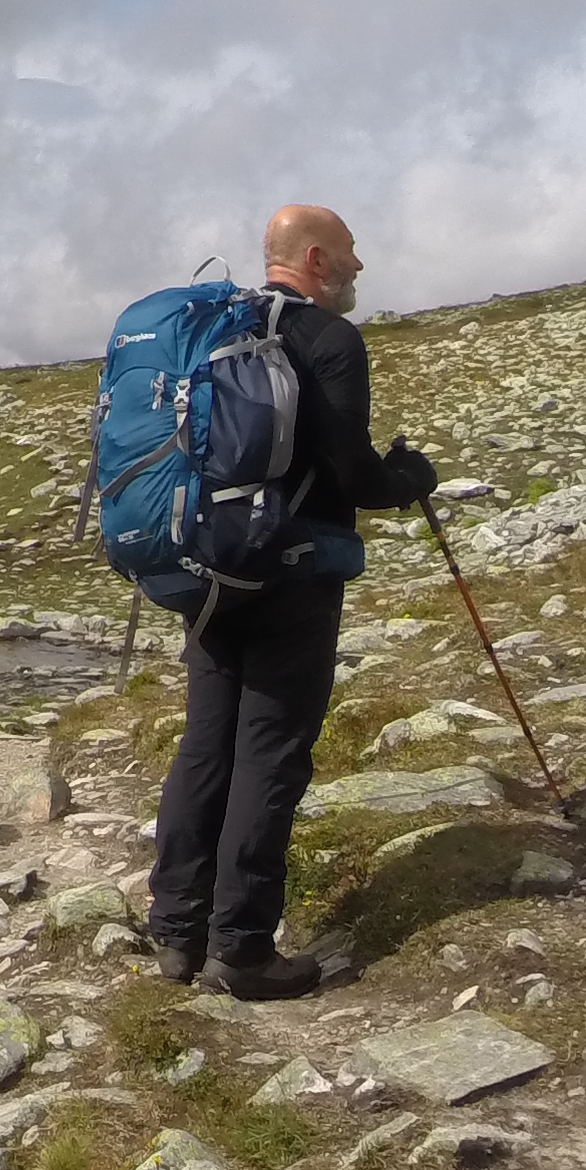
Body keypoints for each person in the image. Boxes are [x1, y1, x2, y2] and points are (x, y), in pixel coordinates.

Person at [147, 204, 436, 1000]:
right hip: (294, 575)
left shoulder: (216, 328)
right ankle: (241, 950)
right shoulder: (329, 339)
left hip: (211, 567)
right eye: (348, 251)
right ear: (314, 258)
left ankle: (176, 931)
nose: (358, 265)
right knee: (270, 751)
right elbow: (353, 472)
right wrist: (410, 479)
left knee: (207, 744)